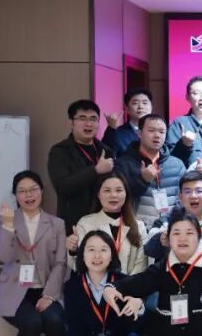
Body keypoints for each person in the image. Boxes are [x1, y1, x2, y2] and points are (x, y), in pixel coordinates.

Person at [0, 170, 79, 336]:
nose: (28, 195)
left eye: (33, 189)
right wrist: (8, 227)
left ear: (41, 191)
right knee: (32, 323)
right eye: (22, 191)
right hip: (14, 291)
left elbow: (60, 263)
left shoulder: (56, 223)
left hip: (46, 289)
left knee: (54, 320)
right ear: (15, 196)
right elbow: (4, 256)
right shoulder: (4, 221)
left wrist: (49, 295)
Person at [48, 99, 115, 232]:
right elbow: (62, 187)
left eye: (93, 119)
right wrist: (95, 170)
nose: (88, 124)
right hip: (74, 223)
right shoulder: (60, 151)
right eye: (82, 118)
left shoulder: (105, 150)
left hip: (104, 220)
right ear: (71, 122)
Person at [66, 172, 148, 275]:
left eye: (119, 190)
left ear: (126, 194)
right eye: (107, 190)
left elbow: (141, 265)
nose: (113, 195)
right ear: (98, 195)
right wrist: (73, 250)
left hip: (129, 284)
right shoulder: (86, 223)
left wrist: (125, 284)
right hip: (95, 284)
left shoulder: (139, 226)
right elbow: (76, 266)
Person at [114, 114, 185, 227]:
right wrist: (142, 180)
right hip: (137, 229)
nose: (157, 135)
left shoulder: (177, 165)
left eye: (161, 132)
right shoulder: (123, 164)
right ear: (140, 133)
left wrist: (169, 221)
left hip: (170, 228)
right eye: (151, 131)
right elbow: (117, 199)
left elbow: (183, 199)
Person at [143, 171, 202, 261]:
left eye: (199, 191)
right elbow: (148, 250)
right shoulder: (165, 222)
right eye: (187, 191)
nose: (193, 196)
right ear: (180, 197)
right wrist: (161, 239)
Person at [166, 76, 202, 166]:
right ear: (187, 97)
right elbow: (170, 162)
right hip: (191, 174)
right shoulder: (179, 124)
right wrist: (184, 145)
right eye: (196, 93)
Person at [103, 88, 153, 155]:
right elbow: (107, 153)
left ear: (151, 107)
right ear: (127, 109)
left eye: (145, 103)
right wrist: (111, 128)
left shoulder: (161, 132)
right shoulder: (117, 134)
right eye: (135, 103)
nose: (141, 107)